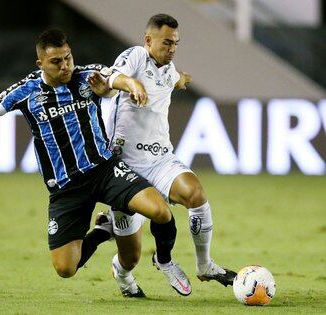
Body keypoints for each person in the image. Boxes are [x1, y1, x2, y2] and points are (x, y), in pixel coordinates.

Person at [0, 29, 177, 294]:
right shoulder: (27, 91)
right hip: (66, 188)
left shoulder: (86, 75)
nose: (65, 66)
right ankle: (103, 230)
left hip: (105, 170)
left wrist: (133, 85)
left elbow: (115, 77)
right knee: (66, 268)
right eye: (56, 61)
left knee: (159, 212)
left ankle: (163, 260)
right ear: (41, 64)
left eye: (67, 58)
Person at [103, 14, 237, 297]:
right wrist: (132, 85)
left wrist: (183, 79)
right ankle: (123, 276)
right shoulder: (137, 56)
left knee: (196, 195)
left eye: (176, 43)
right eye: (167, 42)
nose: (172, 48)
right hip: (125, 167)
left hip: (160, 159)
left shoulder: (170, 69)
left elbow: (174, 80)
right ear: (149, 40)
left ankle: (205, 265)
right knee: (130, 257)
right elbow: (111, 76)